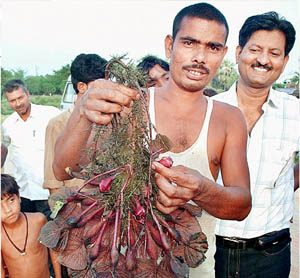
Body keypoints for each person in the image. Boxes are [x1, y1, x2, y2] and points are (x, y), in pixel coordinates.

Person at [53, 3, 251, 277]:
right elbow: (63, 168)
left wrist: (201, 190)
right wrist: (82, 112)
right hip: (123, 265)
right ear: (170, 46)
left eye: (213, 47)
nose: (200, 57)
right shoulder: (131, 104)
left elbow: (242, 204)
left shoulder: (229, 118)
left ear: (224, 54)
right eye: (190, 42)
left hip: (196, 270)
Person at [213, 12, 299, 277]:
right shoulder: (209, 109)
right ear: (239, 52)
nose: (263, 60)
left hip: (271, 254)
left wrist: (284, 187)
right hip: (211, 252)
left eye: (274, 53)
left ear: (284, 62)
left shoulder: (295, 112)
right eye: (255, 49)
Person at [43, 53, 107, 195]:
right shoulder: (57, 125)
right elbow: (53, 183)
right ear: (82, 87)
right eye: (100, 85)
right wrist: (65, 213)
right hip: (76, 211)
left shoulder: (109, 121)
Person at [2, 79, 61, 218]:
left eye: (20, 97)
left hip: (48, 192)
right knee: (28, 235)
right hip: (24, 193)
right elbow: (4, 151)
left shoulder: (50, 115)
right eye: (12, 100)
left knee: (53, 234)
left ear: (27, 94)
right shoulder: (8, 125)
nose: (18, 103)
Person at [1, 174, 61, 278]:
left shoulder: (39, 220)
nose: (8, 210)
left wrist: (58, 276)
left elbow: (53, 250)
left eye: (11, 200)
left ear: (19, 197)